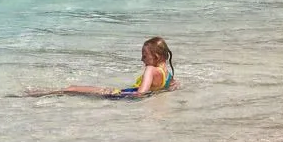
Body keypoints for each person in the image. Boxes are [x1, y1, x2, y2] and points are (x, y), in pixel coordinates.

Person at [28, 37, 176, 98]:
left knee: (72, 89)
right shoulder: (166, 73)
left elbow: (141, 93)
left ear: (156, 57)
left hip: (120, 94)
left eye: (145, 56)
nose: (141, 59)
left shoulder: (150, 70)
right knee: (73, 89)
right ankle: (42, 93)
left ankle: (36, 93)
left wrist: (116, 94)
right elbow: (171, 85)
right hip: (122, 94)